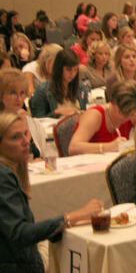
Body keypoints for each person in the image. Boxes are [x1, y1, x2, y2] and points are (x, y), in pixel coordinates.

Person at [0, 112, 103, 273]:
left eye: (26, 134)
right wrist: (72, 217)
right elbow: (19, 234)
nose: (26, 142)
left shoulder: (10, 171)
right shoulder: (3, 177)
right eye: (15, 137)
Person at [68, 80, 136, 155]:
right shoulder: (95, 115)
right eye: (124, 113)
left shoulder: (134, 113)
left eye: (131, 114)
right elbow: (73, 147)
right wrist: (108, 147)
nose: (127, 118)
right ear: (113, 102)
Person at [0, 68, 46, 158]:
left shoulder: (33, 123)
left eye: (22, 93)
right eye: (13, 93)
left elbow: (45, 155)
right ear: (1, 95)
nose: (19, 99)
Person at [30, 49, 88, 117]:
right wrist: (56, 113)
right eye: (68, 69)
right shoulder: (42, 90)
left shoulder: (80, 87)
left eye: (75, 70)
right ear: (59, 68)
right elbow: (37, 119)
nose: (72, 74)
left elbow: (84, 112)